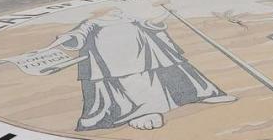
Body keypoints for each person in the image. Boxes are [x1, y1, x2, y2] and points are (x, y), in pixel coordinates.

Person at [51, 8, 235, 131]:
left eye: (117, 11)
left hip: (145, 52)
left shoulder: (127, 17)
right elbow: (79, 35)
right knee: (128, 85)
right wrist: (65, 39)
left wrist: (164, 15)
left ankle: (202, 94)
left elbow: (148, 24)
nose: (116, 12)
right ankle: (140, 113)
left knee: (162, 73)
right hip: (114, 58)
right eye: (112, 11)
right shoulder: (92, 22)